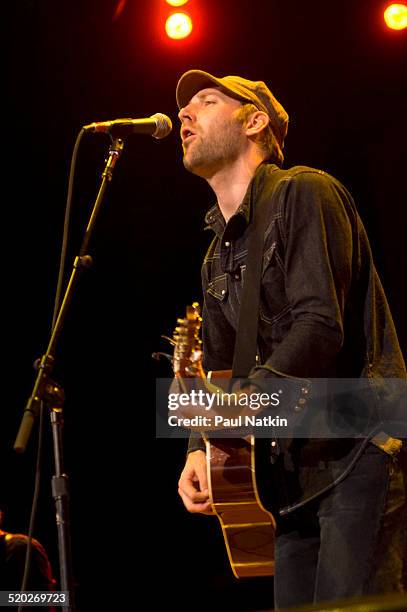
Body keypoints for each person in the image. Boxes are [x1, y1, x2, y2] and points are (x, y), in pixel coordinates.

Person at [174, 69, 407, 609]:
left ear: (255, 121)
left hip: (359, 451)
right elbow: (218, 366)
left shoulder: (304, 190)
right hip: (285, 478)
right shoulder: (216, 256)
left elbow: (319, 325)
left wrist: (242, 405)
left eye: (206, 101)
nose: (184, 113)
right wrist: (196, 447)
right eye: (185, 107)